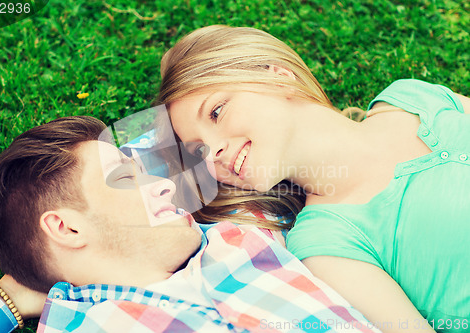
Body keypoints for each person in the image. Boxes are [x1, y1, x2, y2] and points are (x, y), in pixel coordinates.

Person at [157, 25, 470, 332]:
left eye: (216, 111)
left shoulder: (412, 99)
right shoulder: (326, 243)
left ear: (277, 77)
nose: (213, 154)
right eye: (198, 151)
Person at [0, 116, 379, 332]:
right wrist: (7, 298)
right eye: (128, 178)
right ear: (67, 228)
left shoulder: (239, 236)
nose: (166, 185)